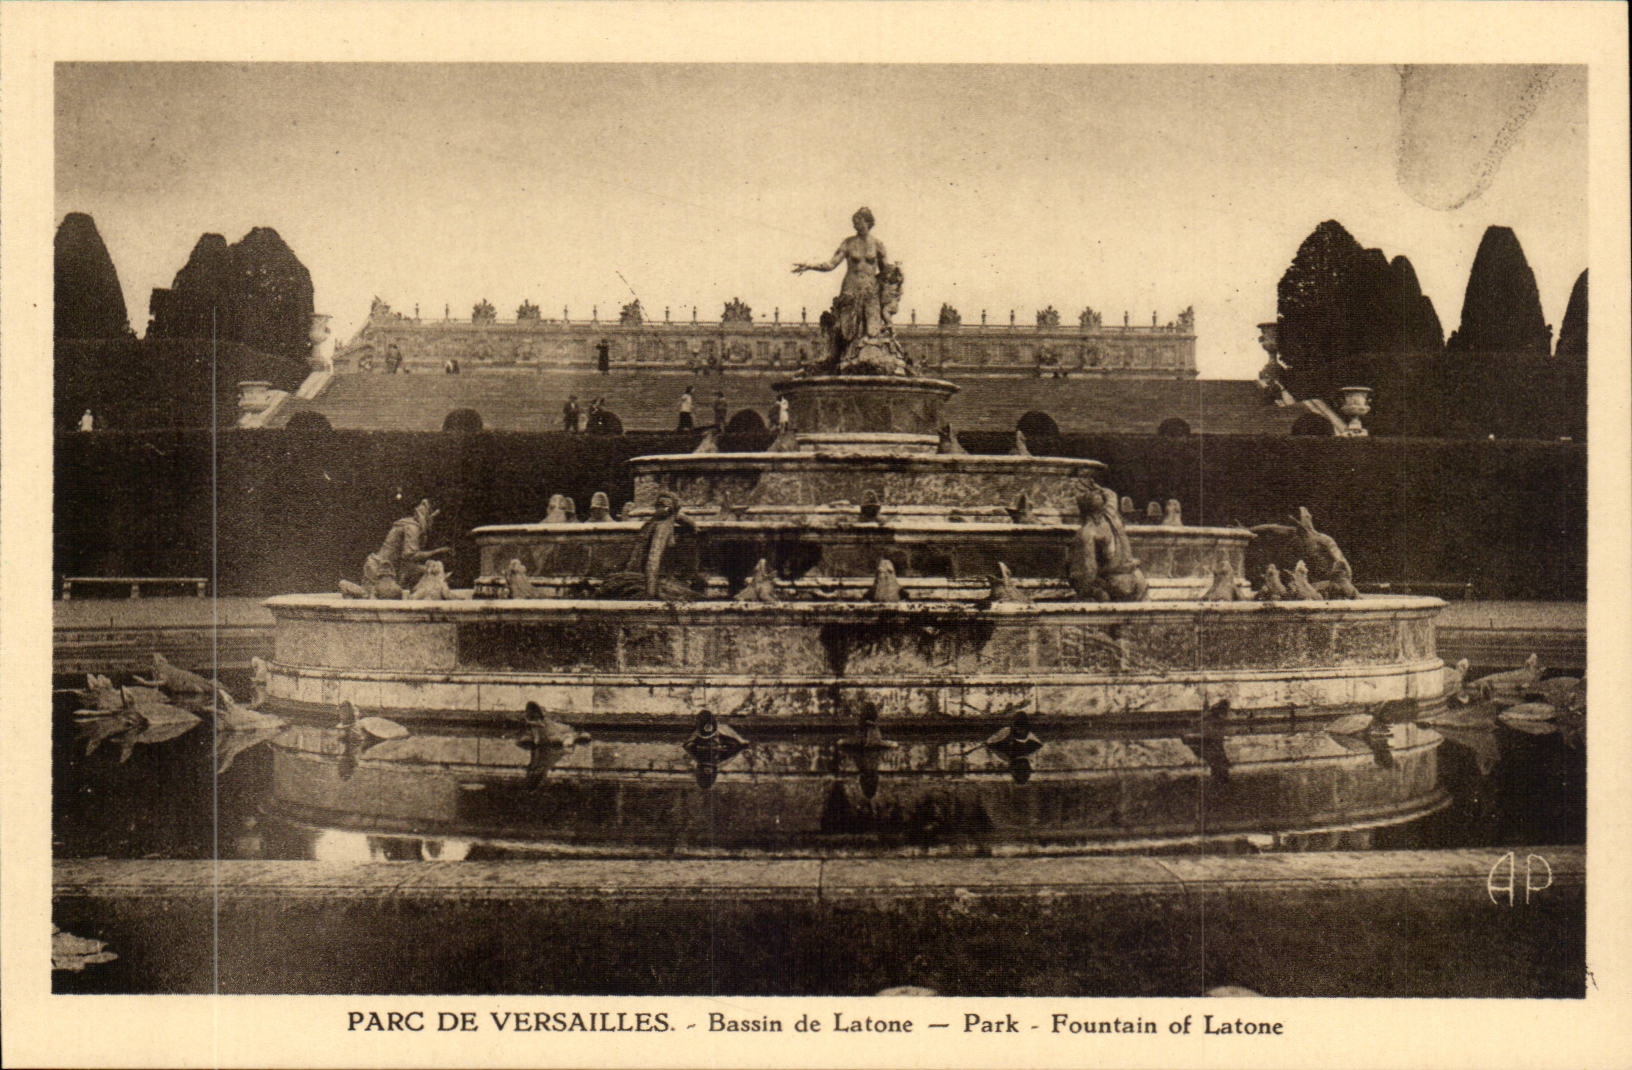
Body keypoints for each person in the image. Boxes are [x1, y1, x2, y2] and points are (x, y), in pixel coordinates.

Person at [793, 206, 898, 370]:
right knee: (846, 329)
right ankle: (842, 358)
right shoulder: (848, 243)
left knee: (872, 328)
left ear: (868, 222)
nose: (856, 225)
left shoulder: (878, 245)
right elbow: (830, 264)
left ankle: (866, 358)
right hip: (850, 288)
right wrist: (809, 266)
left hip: (870, 289)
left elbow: (886, 271)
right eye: (854, 222)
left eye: (859, 222)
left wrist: (895, 275)